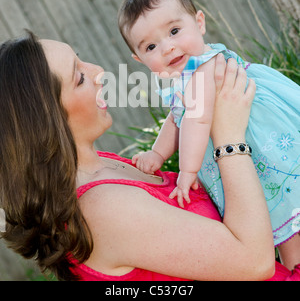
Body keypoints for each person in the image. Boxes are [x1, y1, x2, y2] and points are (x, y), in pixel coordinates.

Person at [0, 31, 298, 281]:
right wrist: (229, 138)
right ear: (45, 120)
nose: (98, 72)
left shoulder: (102, 164)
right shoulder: (104, 207)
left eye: (81, 59)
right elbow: (255, 263)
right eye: (79, 77)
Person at [118, 0, 300, 270]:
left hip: (264, 140)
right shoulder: (179, 76)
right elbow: (178, 117)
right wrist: (158, 153)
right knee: (275, 218)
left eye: (174, 31)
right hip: (242, 149)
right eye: (152, 46)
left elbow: (198, 117)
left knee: (290, 225)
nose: (168, 47)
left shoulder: (204, 65)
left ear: (199, 22)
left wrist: (187, 170)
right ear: (139, 59)